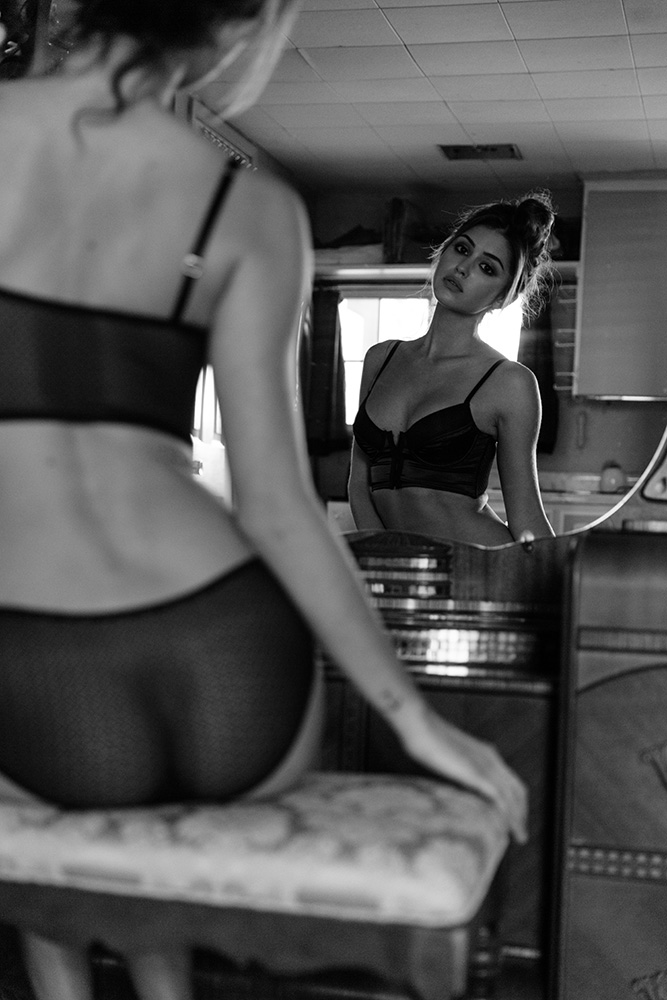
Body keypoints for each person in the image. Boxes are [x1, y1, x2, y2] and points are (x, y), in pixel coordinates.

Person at [0, 1, 527, 997]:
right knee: (143, 870)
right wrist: (415, 720)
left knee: (56, 878)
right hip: (232, 660)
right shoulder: (246, 210)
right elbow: (278, 507)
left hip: (44, 650)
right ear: (242, 28)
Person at [349, 193, 557, 546]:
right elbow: (359, 483)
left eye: (487, 268)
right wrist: (385, 558)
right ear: (443, 251)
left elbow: (527, 521)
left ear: (503, 297)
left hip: (478, 565)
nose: (463, 268)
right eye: (462, 249)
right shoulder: (380, 359)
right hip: (403, 567)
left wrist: (565, 574)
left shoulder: (509, 383)